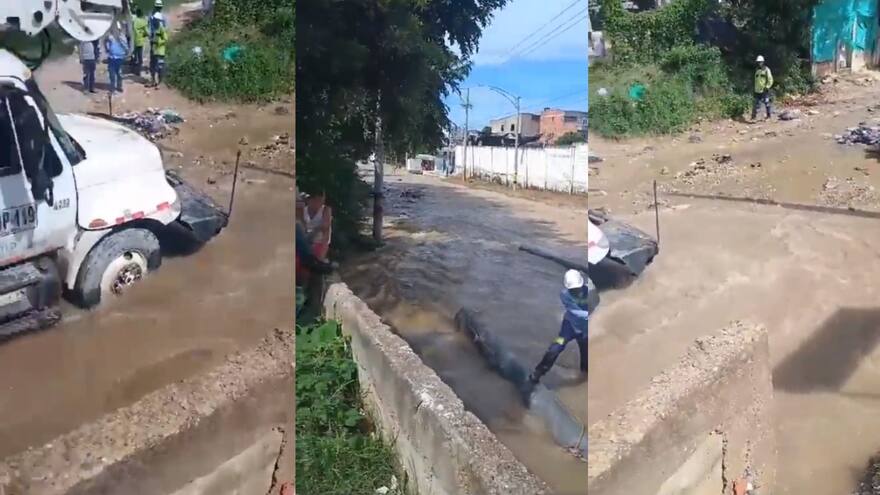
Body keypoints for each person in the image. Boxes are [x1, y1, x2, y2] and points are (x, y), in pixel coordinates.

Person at [528, 269, 589, 385]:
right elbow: (575, 311)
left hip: (585, 330)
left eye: (578, 288)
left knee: (586, 356)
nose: (576, 290)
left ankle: (583, 378)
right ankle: (537, 373)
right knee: (555, 348)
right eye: (573, 289)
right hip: (568, 328)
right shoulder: (564, 295)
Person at [301, 191, 333, 262]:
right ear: (309, 200)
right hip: (304, 242)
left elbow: (326, 231)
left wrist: (322, 253)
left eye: (322, 201)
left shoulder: (325, 210)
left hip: (320, 242)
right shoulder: (303, 211)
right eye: (317, 200)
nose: (320, 203)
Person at [104, 28, 128, 93]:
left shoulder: (122, 37)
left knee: (119, 73)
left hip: (120, 58)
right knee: (112, 74)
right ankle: (112, 88)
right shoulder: (111, 37)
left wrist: (126, 54)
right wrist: (107, 48)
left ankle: (119, 87)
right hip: (112, 58)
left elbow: (126, 47)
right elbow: (105, 40)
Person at [752, 55, 774, 121]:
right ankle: (753, 117)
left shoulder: (766, 70)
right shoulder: (757, 70)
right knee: (755, 103)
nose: (759, 63)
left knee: (766, 103)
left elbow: (770, 80)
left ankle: (769, 116)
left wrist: (767, 87)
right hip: (757, 90)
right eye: (758, 62)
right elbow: (756, 81)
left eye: (760, 62)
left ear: (763, 62)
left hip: (764, 90)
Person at [131, 8, 149, 76]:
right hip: (140, 41)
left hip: (134, 40)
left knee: (135, 56)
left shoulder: (134, 21)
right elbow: (147, 32)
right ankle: (139, 72)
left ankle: (133, 69)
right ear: (141, 14)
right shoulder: (143, 22)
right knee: (140, 57)